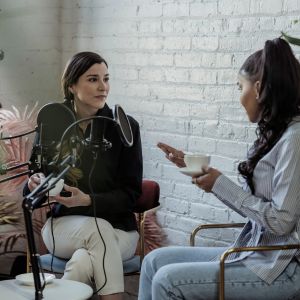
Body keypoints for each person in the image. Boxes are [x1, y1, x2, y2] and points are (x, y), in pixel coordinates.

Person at [138, 38, 300, 300]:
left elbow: (281, 222)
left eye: (240, 88)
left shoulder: (294, 138)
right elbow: (260, 210)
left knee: (168, 281)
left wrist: (219, 183)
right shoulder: (277, 134)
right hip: (253, 253)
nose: (239, 97)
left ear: (258, 88)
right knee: (153, 261)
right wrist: (197, 170)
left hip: (281, 269)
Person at [24, 52, 143, 300]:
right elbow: (32, 187)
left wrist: (88, 200)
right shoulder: (53, 121)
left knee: (82, 261)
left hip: (120, 231)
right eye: (92, 79)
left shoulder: (124, 127)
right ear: (72, 85)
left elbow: (131, 195)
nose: (103, 87)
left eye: (106, 79)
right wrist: (34, 183)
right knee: (96, 229)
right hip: (62, 227)